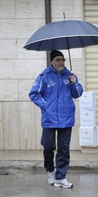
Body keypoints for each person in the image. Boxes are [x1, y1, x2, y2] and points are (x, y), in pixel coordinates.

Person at [29, 50, 83, 189]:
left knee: (64, 149)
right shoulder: (44, 76)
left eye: (63, 60)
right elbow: (34, 94)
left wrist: (73, 83)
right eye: (58, 60)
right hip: (49, 118)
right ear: (52, 61)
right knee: (48, 146)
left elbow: (77, 93)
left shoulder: (70, 75)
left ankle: (60, 177)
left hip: (66, 117)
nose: (61, 62)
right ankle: (50, 169)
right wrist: (46, 106)